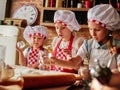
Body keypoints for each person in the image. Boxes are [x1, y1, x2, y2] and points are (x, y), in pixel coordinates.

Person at [49, 4, 120, 72]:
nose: (93, 34)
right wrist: (52, 61)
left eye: (97, 30)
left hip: (111, 83)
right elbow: (74, 63)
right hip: (92, 82)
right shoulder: (88, 44)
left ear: (108, 29)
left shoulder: (117, 46)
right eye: (90, 29)